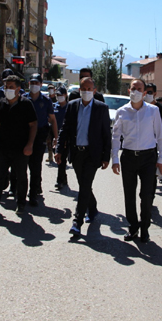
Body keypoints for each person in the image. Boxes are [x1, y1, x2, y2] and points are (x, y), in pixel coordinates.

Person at [112, 79, 162, 243]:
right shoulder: (121, 112)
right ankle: (133, 227)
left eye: (140, 89)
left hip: (148, 158)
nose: (136, 91)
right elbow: (115, 137)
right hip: (128, 157)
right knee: (129, 195)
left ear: (145, 93)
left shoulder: (153, 111)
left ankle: (145, 229)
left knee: (147, 195)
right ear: (129, 90)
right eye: (133, 88)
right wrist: (115, 159)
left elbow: (161, 136)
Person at [56, 77, 111, 237]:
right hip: (77, 153)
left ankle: (77, 222)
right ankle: (92, 209)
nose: (86, 91)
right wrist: (59, 149)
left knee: (85, 185)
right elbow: (64, 129)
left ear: (94, 90)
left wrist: (106, 156)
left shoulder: (102, 108)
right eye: (83, 88)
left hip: (92, 154)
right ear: (79, 90)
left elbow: (106, 134)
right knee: (84, 185)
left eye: (89, 88)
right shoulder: (72, 106)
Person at [0, 75, 37, 218]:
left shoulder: (26, 104)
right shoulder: (1, 104)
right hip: (3, 148)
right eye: (6, 86)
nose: (8, 89)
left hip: (21, 148)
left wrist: (30, 144)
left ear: (18, 89)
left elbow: (33, 125)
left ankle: (21, 203)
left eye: (11, 87)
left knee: (20, 177)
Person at [24, 73, 58, 206]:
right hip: (24, 134)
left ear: (40, 84)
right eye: (32, 83)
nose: (34, 85)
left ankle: (33, 194)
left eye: (36, 83)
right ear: (29, 84)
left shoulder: (46, 101)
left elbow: (53, 120)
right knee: (22, 165)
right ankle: (20, 191)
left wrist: (56, 138)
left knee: (35, 164)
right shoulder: (23, 99)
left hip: (40, 134)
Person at [53, 87, 70, 190]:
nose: (59, 97)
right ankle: (61, 179)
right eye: (58, 95)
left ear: (65, 95)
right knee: (60, 158)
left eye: (61, 95)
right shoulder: (54, 107)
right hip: (57, 136)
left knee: (63, 158)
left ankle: (61, 179)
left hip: (67, 136)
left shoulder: (70, 107)